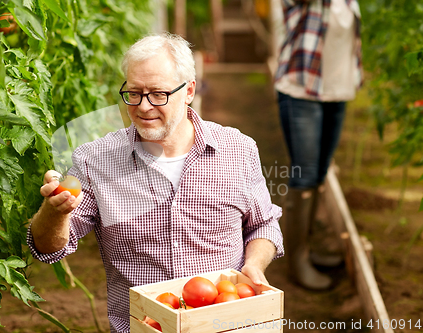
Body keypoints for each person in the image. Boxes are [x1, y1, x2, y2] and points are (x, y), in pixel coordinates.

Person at [28, 33, 284, 333]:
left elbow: (263, 225)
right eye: (134, 93)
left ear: (188, 91)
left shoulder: (237, 150)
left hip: (225, 323)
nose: (144, 106)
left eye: (158, 94)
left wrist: (253, 265)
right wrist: (55, 212)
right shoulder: (95, 161)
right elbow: (48, 248)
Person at [274, 0, 363, 290]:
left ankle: (307, 250)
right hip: (302, 92)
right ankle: (296, 261)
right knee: (305, 174)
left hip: (337, 91)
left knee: (320, 172)